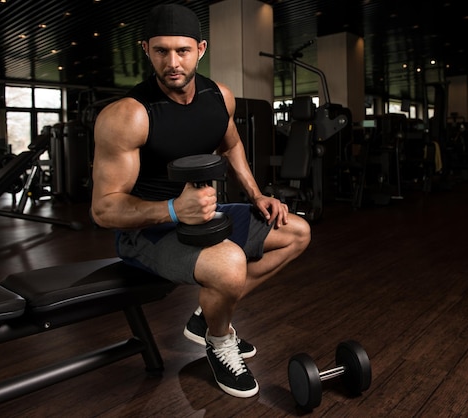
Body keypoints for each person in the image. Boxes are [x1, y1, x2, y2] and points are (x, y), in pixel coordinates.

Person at [90, 4, 311, 399]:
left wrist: (257, 194)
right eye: (161, 51)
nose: (172, 62)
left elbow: (233, 144)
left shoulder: (218, 97)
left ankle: (204, 320)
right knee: (229, 263)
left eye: (182, 51)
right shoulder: (129, 115)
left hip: (204, 216)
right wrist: (174, 210)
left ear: (201, 49)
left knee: (296, 231)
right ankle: (219, 340)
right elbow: (104, 209)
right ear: (145, 50)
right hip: (147, 232)